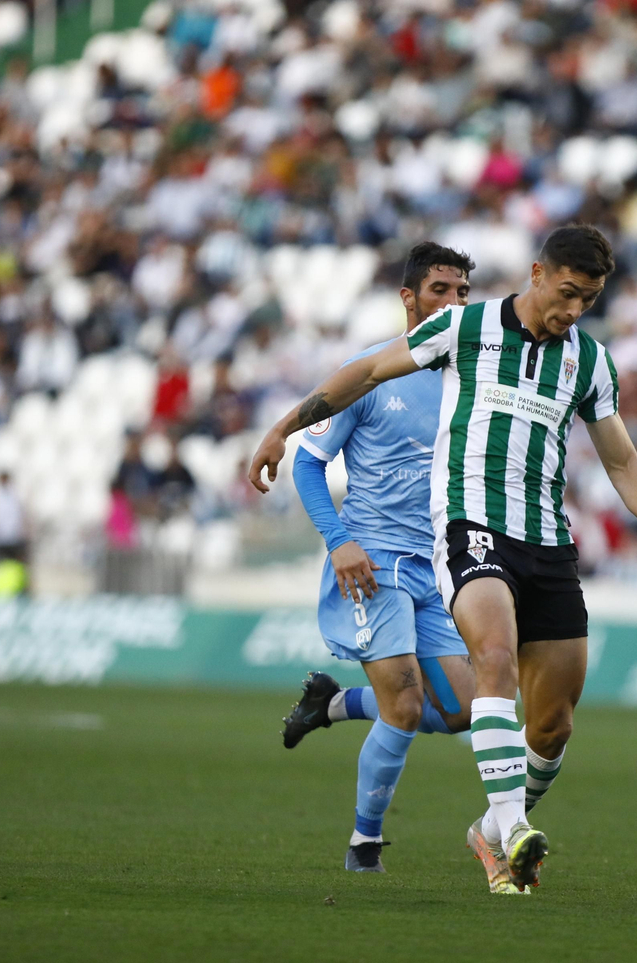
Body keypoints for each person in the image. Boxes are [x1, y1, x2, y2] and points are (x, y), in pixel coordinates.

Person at [250, 225, 637, 893]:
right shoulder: (467, 331)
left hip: (548, 543)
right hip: (467, 530)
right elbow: (368, 370)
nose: (574, 310)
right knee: (481, 664)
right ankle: (464, 833)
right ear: (537, 273)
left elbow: (619, 456)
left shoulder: (590, 362)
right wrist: (282, 428)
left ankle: (490, 832)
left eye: (588, 300)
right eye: (567, 293)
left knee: (550, 724)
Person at [277, 242, 480, 878]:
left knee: (460, 714)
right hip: (374, 563)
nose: (453, 303)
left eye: (461, 293)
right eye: (440, 291)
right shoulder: (370, 371)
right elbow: (307, 464)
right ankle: (364, 846)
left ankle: (331, 705)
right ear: (409, 297)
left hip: (438, 565)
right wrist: (341, 543)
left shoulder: (468, 374)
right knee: (402, 706)